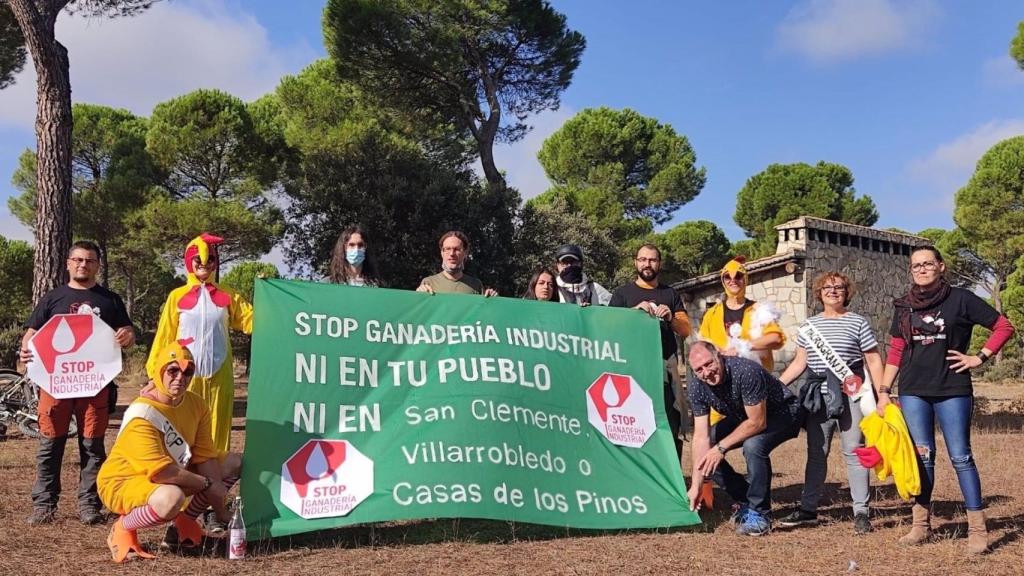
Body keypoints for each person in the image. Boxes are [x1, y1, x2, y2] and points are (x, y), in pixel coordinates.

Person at [879, 245, 1014, 554]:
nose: (922, 269)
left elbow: (1004, 326)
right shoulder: (904, 307)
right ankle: (921, 525)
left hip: (952, 389)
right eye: (916, 266)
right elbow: (897, 350)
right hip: (913, 391)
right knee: (922, 457)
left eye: (928, 263)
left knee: (961, 457)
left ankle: (978, 530)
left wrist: (979, 357)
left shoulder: (962, 299)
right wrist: (885, 391)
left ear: (941, 267)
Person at [20, 240, 136, 526]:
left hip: (95, 386)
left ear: (97, 265)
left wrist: (127, 335)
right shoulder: (52, 298)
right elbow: (32, 333)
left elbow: (127, 332)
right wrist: (25, 350)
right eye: (78, 260)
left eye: (89, 260)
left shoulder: (110, 300)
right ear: (69, 263)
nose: (83, 264)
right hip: (56, 386)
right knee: (50, 446)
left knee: (93, 447)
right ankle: (44, 505)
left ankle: (90, 505)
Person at [98, 341, 241, 563]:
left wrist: (220, 509)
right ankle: (122, 527)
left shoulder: (197, 404)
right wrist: (208, 484)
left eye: (187, 371)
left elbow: (205, 456)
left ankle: (183, 523)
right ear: (159, 371)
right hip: (123, 481)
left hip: (174, 471)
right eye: (172, 370)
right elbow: (161, 473)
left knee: (232, 462)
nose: (180, 378)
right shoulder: (142, 413)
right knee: (170, 499)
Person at [776, 271, 885, 534]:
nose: (833, 291)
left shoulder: (858, 322)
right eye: (827, 287)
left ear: (847, 292)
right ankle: (808, 510)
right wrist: (777, 387)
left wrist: (883, 393)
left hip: (852, 396)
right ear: (819, 293)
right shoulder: (809, 326)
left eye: (838, 287)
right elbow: (801, 363)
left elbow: (872, 359)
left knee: (854, 452)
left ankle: (861, 513)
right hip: (818, 398)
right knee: (817, 453)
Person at [147, 233, 254, 454]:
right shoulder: (176, 296)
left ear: (216, 262)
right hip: (184, 375)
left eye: (210, 260)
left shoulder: (229, 295)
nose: (204, 265)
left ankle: (213, 482)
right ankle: (183, 482)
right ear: (189, 261)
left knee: (216, 432)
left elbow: (252, 321)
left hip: (219, 375)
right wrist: (154, 374)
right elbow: (165, 336)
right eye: (198, 260)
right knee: (182, 427)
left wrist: (271, 296)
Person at [686, 341, 803, 536]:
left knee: (753, 445)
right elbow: (700, 437)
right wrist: (696, 484)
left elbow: (758, 423)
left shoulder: (745, 371)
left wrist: (720, 448)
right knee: (708, 449)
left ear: (719, 357)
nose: (706, 372)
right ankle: (746, 499)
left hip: (784, 412)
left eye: (709, 364)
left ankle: (760, 514)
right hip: (744, 416)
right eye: (699, 369)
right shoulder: (697, 385)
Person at [609, 244, 691, 457]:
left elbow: (685, 330)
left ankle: (672, 482)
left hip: (665, 371)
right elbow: (607, 328)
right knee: (635, 429)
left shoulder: (670, 294)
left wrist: (671, 317)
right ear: (636, 262)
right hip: (632, 372)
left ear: (659, 264)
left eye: (652, 260)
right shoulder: (622, 294)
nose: (647, 264)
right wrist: (633, 313)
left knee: (670, 427)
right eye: (643, 259)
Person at [698, 256, 784, 370]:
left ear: (745, 279)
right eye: (727, 277)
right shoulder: (712, 313)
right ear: (723, 281)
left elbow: (776, 338)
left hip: (755, 375)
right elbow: (702, 343)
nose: (732, 280)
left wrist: (744, 347)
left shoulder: (759, 310)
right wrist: (714, 350)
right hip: (723, 377)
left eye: (738, 276)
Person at [417, 231, 497, 296]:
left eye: (457, 249)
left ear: (465, 253)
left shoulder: (476, 285)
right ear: (442, 253)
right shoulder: (428, 283)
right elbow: (420, 311)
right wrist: (417, 296)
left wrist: (493, 299)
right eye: (447, 249)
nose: (452, 253)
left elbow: (484, 313)